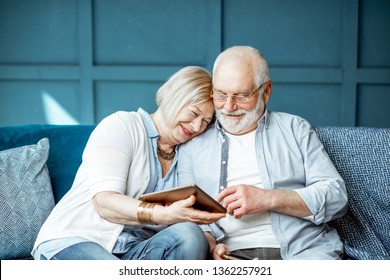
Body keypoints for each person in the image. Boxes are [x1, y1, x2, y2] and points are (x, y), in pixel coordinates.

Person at [32, 66, 225, 260]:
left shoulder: (187, 155)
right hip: (77, 239)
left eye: (205, 121)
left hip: (135, 250)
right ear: (174, 97)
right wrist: (162, 214)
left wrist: (210, 244)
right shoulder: (122, 125)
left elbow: (193, 220)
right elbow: (104, 203)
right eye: (193, 113)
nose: (197, 126)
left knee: (190, 234)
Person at [177, 46, 348, 260]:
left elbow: (336, 197)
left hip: (303, 251)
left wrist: (268, 198)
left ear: (265, 92)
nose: (228, 106)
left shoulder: (295, 128)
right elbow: (188, 214)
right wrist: (210, 244)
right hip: (233, 257)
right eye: (220, 95)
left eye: (241, 96)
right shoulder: (192, 145)